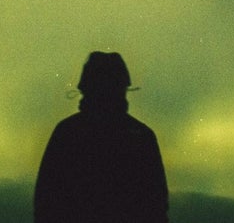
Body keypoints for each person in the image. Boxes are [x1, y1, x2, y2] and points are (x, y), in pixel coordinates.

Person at [34, 52, 169, 223]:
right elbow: (156, 205)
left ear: (85, 89)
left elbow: (46, 200)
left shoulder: (67, 132)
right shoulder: (141, 136)